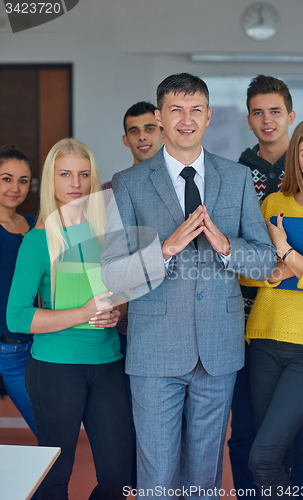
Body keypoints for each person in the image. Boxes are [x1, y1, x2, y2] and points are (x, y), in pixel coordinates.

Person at [101, 73, 276, 499]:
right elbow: (111, 274)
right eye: (176, 110)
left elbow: (266, 260)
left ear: (209, 116)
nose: (186, 119)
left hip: (219, 348)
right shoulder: (127, 183)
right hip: (154, 350)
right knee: (157, 478)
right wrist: (164, 249)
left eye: (195, 109)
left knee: (204, 478)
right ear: (159, 117)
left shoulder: (235, 178)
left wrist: (224, 246)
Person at [7, 138, 132, 500]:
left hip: (107, 363)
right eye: (65, 174)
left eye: (83, 174)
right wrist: (83, 313)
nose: (75, 183)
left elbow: (118, 296)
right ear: (51, 181)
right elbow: (16, 317)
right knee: (56, 475)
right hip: (55, 368)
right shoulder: (38, 240)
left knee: (119, 476)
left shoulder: (105, 234)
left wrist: (115, 312)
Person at [229, 75, 303, 498]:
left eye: (276, 111)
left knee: (302, 438)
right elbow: (240, 258)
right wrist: (290, 263)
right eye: (258, 112)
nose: (267, 120)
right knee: (250, 432)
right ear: (248, 119)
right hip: (252, 325)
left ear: (291, 116)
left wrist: (290, 261)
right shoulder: (239, 179)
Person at [102, 101, 164, 489]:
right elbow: (105, 260)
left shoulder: (187, 185)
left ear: (162, 131)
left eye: (149, 128)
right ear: (125, 139)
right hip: (125, 328)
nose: (142, 136)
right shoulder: (111, 190)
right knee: (134, 429)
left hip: (170, 324)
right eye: (134, 131)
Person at [0, 144, 37, 436]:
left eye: (23, 180)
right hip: (8, 348)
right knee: (49, 430)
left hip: (40, 345)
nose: (16, 187)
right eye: (6, 178)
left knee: (53, 431)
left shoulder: (35, 225)